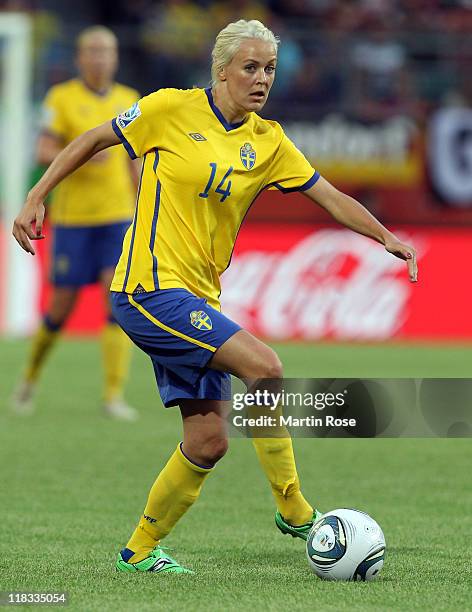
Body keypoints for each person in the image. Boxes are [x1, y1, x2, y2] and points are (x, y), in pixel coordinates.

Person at [13, 19, 417, 574]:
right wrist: (37, 194)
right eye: (250, 67)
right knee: (266, 368)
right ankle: (296, 511)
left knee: (207, 442)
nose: (261, 79)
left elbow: (330, 196)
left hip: (200, 298)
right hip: (147, 289)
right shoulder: (168, 109)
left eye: (270, 69)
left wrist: (387, 237)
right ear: (221, 70)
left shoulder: (268, 141)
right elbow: (91, 139)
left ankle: (138, 552)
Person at [12, 26, 140, 421]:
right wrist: (83, 151)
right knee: (60, 310)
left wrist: (144, 204)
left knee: (116, 302)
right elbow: (44, 147)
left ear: (115, 58)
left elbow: (136, 158)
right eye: (94, 51)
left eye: (107, 51)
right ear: (80, 58)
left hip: (118, 218)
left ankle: (113, 394)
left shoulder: (129, 100)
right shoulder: (61, 98)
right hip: (73, 220)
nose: (101, 58)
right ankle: (30, 378)